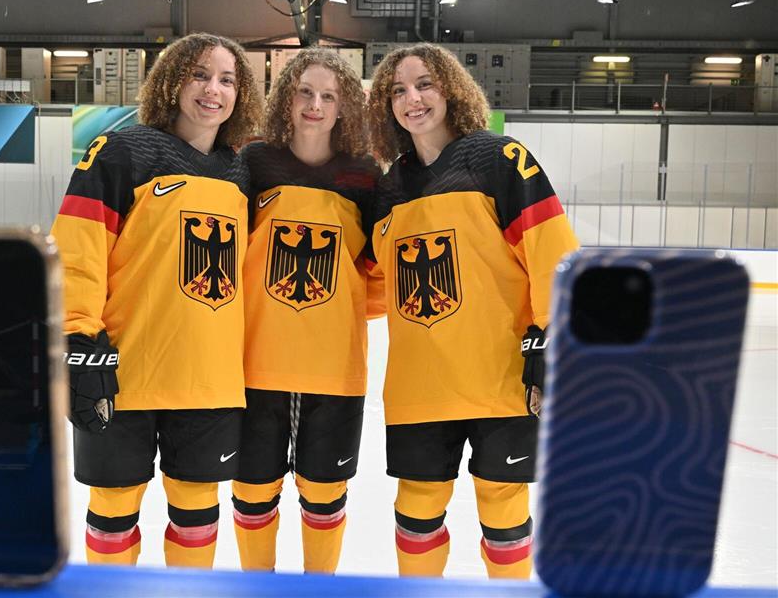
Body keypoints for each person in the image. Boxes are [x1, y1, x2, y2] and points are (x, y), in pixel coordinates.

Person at [365, 44, 579, 579]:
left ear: (452, 89)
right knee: (416, 511)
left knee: (504, 510)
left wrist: (549, 339)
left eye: (425, 84)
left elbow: (553, 255)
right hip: (419, 386)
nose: (412, 99)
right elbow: (371, 286)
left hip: (500, 379)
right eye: (398, 90)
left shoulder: (498, 159)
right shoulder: (388, 189)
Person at [50, 33, 262, 569]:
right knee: (114, 507)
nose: (213, 90)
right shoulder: (123, 151)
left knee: (196, 508)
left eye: (227, 79)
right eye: (199, 74)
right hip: (125, 371)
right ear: (171, 81)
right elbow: (78, 248)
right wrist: (78, 336)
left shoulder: (242, 172)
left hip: (208, 377)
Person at [231, 48, 383, 574]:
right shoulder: (252, 161)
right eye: (304, 92)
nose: (315, 105)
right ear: (285, 98)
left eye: (329, 96)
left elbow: (379, 266)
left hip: (333, 367)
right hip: (255, 363)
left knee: (324, 494)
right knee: (253, 492)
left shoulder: (366, 174)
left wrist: (343, 310)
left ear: (345, 107)